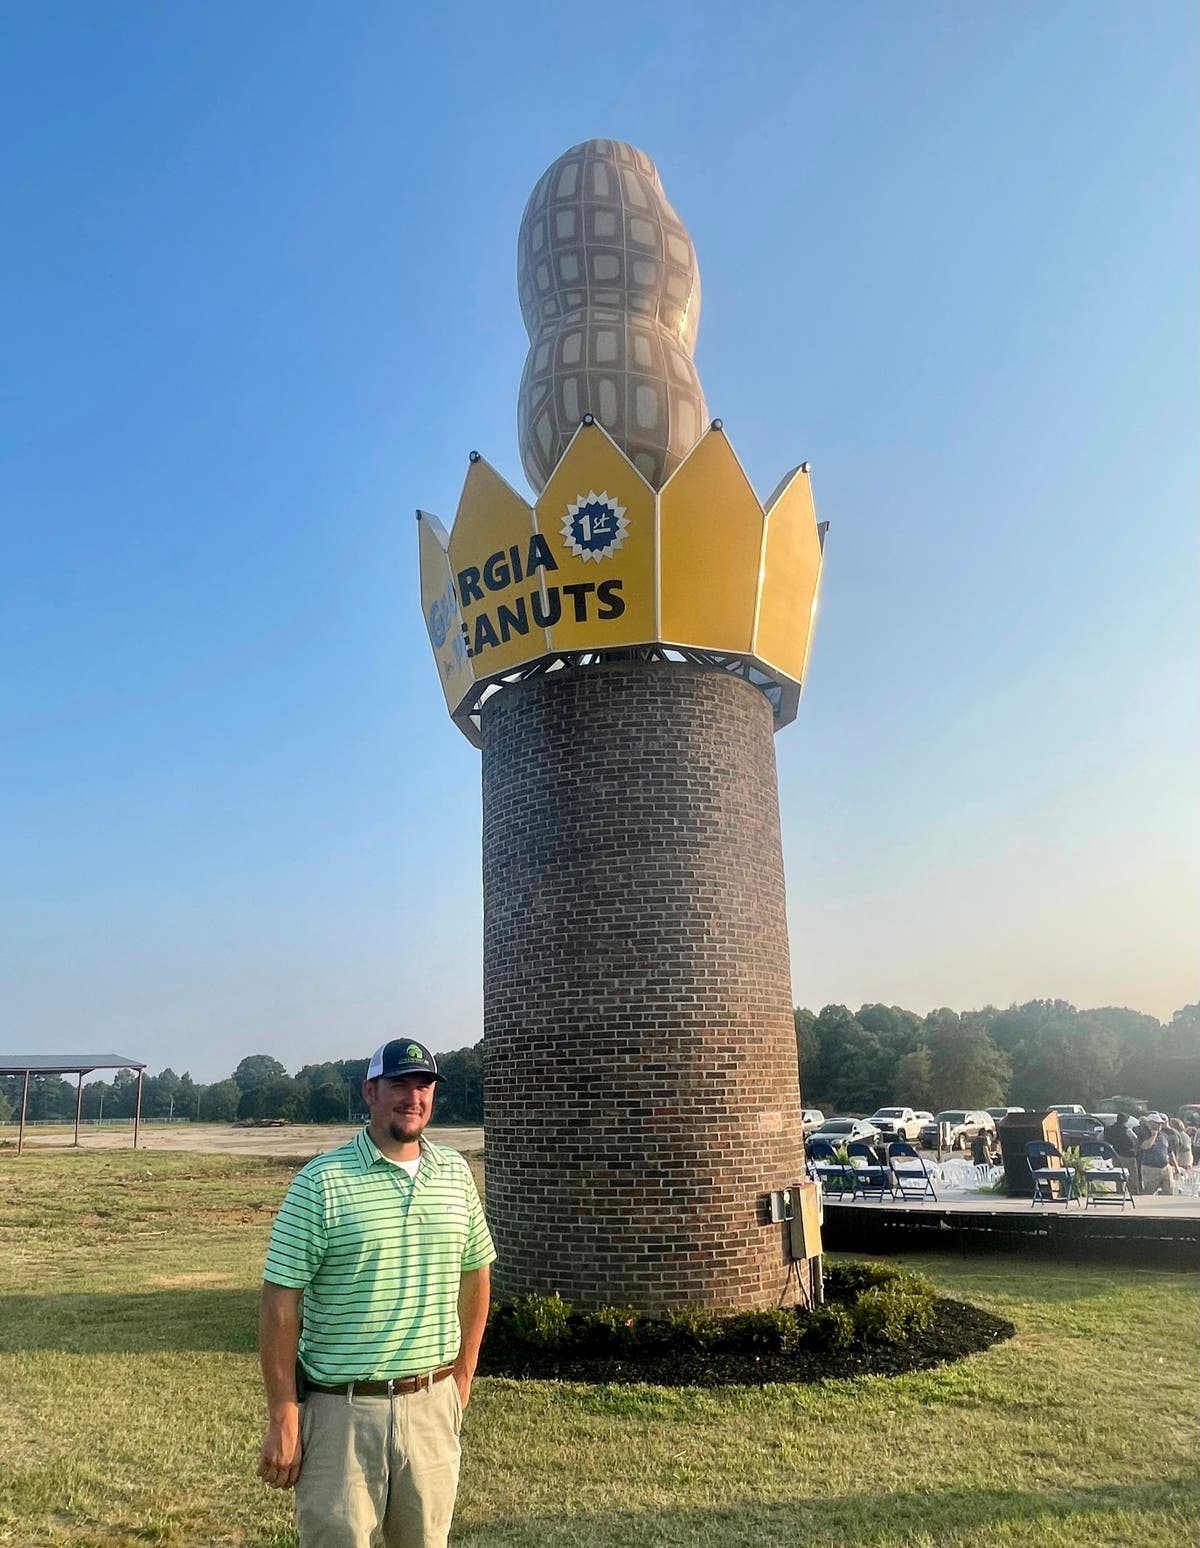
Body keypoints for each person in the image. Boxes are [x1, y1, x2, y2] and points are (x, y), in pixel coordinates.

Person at [257, 1038, 496, 1548]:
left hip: (432, 1407)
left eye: (424, 1084)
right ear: (370, 1092)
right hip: (342, 1415)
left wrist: (463, 1375)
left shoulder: (454, 1175)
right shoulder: (322, 1182)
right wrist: (284, 1413)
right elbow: (280, 1303)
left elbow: (477, 1275)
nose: (413, 1096)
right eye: (399, 1084)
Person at [1136, 1113, 1175, 1196]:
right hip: (1151, 1168)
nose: (1159, 1126)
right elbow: (1145, 1146)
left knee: (1168, 1190)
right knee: (1149, 1191)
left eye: (1160, 1124)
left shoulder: (1164, 1135)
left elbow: (1170, 1151)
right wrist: (1153, 1135)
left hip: (1165, 1167)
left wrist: (1176, 1166)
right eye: (1157, 1123)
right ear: (1149, 1123)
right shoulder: (1143, 1133)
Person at [1104, 1112, 1140, 1193]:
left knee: (1118, 1176)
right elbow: (1135, 1139)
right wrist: (1136, 1150)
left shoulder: (1109, 1129)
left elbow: (1099, 1138)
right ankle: (1133, 1194)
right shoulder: (1127, 1130)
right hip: (1127, 1156)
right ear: (1125, 1121)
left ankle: (1119, 1192)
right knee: (1131, 1177)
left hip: (1114, 1155)